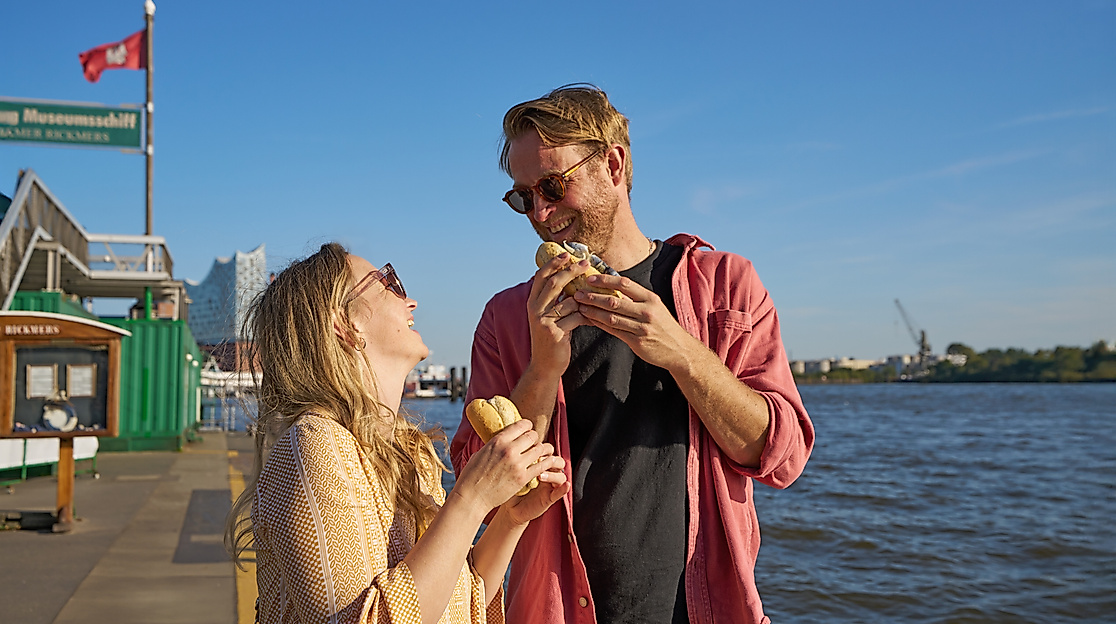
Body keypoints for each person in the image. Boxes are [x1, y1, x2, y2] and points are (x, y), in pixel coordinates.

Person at [449, 85, 815, 624]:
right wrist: (543, 367)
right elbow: (484, 496)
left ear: (613, 164)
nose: (541, 212)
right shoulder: (507, 318)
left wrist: (682, 353)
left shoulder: (727, 286)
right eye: (523, 196)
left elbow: (781, 456)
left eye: (553, 184)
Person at [225, 242, 569, 624]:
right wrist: (471, 498)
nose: (411, 301)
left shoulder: (411, 452)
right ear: (344, 323)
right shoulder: (314, 445)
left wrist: (510, 519)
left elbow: (455, 602)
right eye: (387, 282)